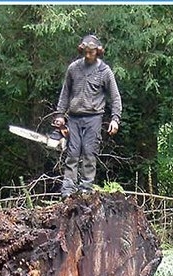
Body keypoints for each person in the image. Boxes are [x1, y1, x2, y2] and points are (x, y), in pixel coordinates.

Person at [53, 34, 122, 198]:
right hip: (74, 117)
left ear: (97, 52)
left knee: (90, 153)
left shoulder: (104, 71)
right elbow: (65, 94)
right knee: (72, 153)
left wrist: (115, 119)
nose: (88, 54)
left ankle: (86, 189)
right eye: (85, 51)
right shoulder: (73, 68)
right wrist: (60, 115)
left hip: (94, 117)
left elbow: (115, 97)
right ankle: (68, 190)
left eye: (91, 52)